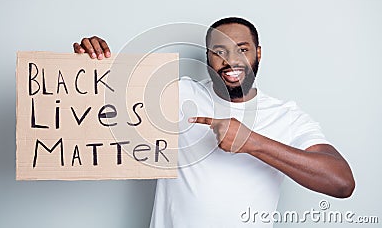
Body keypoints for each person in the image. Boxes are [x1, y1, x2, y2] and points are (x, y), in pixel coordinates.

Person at [73, 17, 355, 227]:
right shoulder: (178, 93)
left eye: (242, 49)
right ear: (207, 58)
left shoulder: (287, 116)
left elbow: (341, 183)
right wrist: (90, 66)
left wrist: (251, 141)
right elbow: (99, 109)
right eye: (219, 52)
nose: (230, 60)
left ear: (258, 53)